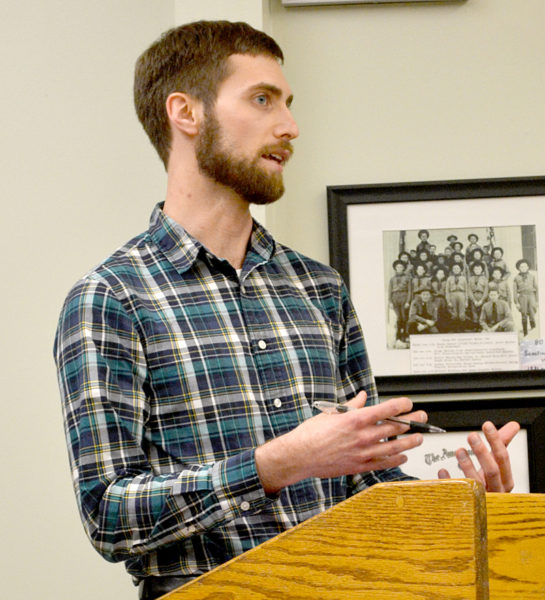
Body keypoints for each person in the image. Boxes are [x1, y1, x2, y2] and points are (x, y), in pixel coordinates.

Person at [53, 21, 519, 599]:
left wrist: (464, 503)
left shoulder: (320, 290)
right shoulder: (111, 297)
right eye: (262, 99)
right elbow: (108, 516)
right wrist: (276, 465)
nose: (290, 127)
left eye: (288, 104)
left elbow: (365, 479)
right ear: (186, 113)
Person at [513, 258, 538, 336]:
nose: (523, 268)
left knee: (532, 312)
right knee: (523, 313)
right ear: (519, 268)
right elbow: (514, 291)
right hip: (522, 296)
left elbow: (536, 288)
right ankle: (525, 331)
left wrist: (537, 300)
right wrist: (516, 302)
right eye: (521, 267)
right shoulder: (516, 278)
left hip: (531, 295)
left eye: (525, 266)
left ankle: (533, 328)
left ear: (528, 267)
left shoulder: (532, 276)